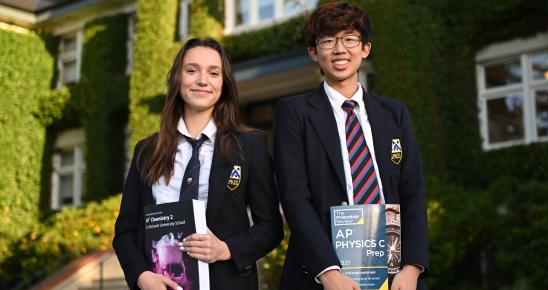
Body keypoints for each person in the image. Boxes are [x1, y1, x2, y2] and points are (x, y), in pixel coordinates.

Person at [273, 2, 429, 290]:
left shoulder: (394, 113)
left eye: (349, 39)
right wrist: (329, 273)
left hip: (396, 273)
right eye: (328, 41)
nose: (339, 49)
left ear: (365, 48)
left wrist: (412, 267)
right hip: (324, 274)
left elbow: (413, 193)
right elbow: (295, 198)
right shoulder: (294, 113)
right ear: (313, 52)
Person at [113, 38, 283, 290]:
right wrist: (141, 276)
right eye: (192, 70)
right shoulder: (147, 151)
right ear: (177, 79)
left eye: (213, 73)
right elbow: (125, 231)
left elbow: (270, 227)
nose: (202, 80)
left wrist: (226, 249)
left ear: (223, 83)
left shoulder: (250, 146)